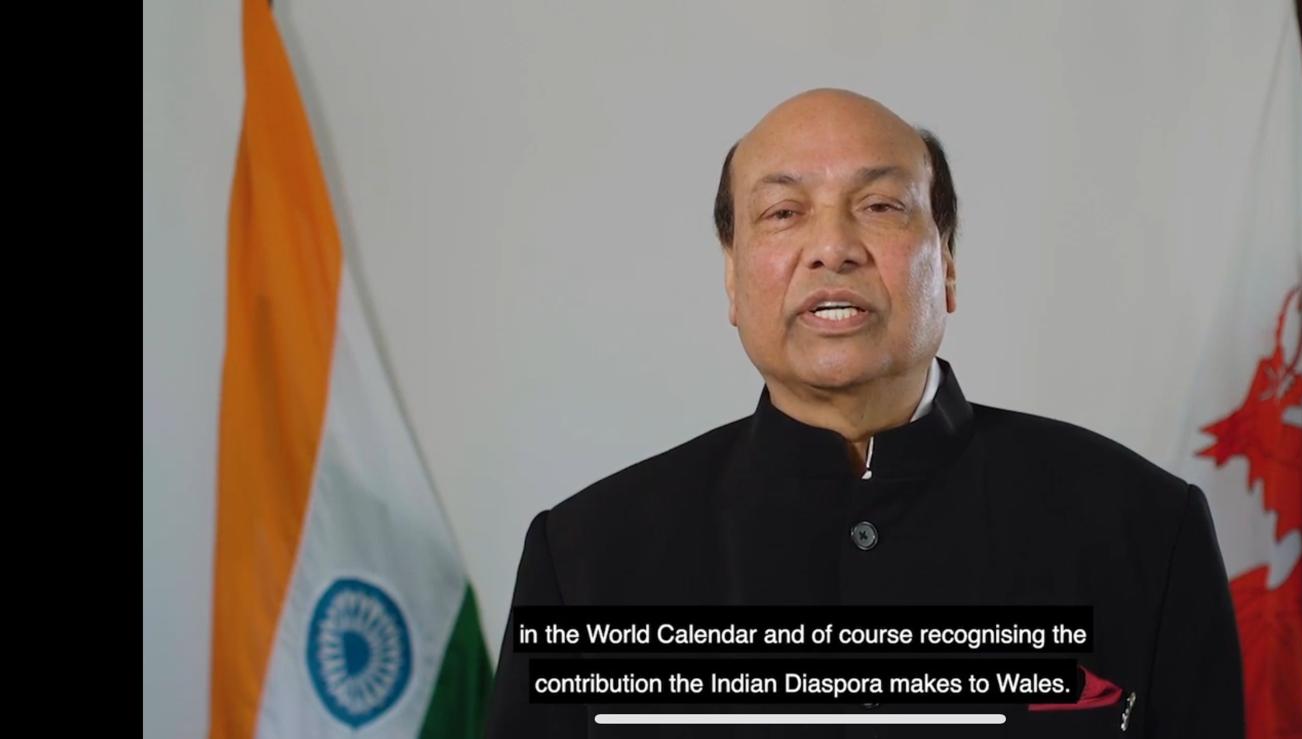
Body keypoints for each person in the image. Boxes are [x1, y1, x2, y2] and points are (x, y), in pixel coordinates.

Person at [486, 88, 1244, 738]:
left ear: (947, 264)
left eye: (880, 206)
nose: (833, 247)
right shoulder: (587, 558)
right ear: (732, 278)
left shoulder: (1143, 526)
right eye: (783, 212)